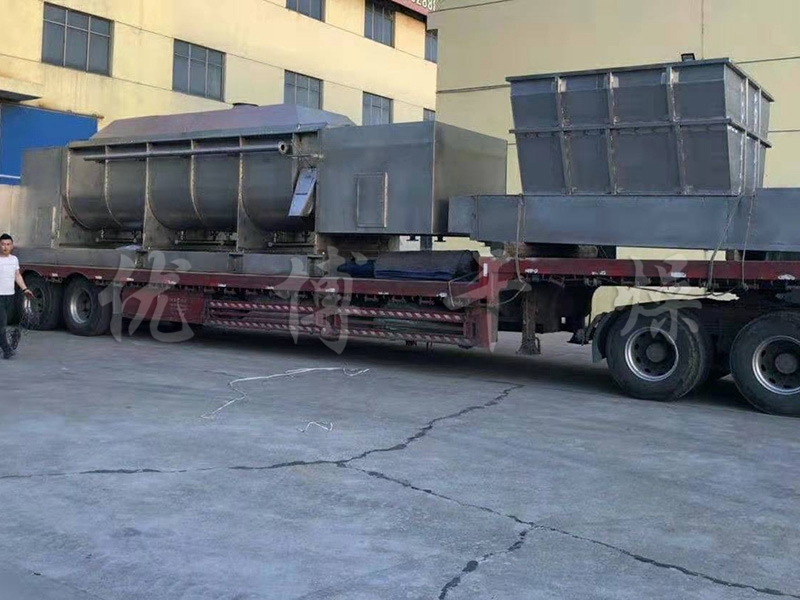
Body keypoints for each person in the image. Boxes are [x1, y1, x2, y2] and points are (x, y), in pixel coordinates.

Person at [0, 234, 34, 360]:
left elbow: (17, 275)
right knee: (1, 324)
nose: (5, 247)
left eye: (8, 244)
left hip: (10, 296)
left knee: (3, 323)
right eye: (3, 244)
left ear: (12, 246)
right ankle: (7, 350)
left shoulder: (14, 259)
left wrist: (25, 289)